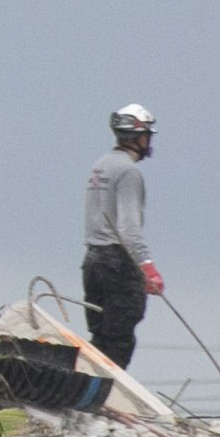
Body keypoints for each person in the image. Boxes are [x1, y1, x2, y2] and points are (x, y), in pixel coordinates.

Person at [83, 103, 162, 368]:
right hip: (117, 264)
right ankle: (107, 396)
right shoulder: (129, 172)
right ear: (139, 137)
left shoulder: (100, 165)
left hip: (93, 262)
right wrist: (148, 268)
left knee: (100, 337)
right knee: (119, 341)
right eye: (147, 135)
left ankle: (90, 392)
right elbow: (129, 229)